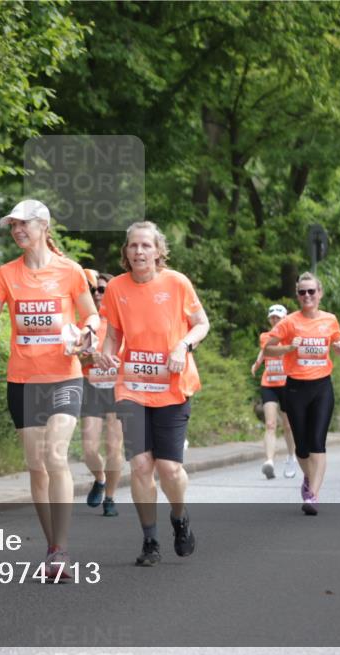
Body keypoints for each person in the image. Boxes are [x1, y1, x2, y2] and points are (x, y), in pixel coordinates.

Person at [0, 200, 99, 579]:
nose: (16, 231)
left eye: (23, 224)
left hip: (64, 375)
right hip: (23, 381)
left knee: (55, 455)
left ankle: (60, 550)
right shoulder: (5, 275)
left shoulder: (70, 271)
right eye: (12, 226)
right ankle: (51, 546)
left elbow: (90, 313)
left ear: (44, 225)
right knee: (36, 467)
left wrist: (87, 332)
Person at [97, 221, 209, 566]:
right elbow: (113, 335)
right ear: (126, 252)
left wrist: (182, 346)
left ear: (158, 251)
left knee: (170, 469)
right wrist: (106, 352)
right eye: (133, 246)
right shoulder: (116, 287)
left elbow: (201, 323)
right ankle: (150, 541)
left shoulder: (177, 283)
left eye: (146, 246)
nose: (139, 252)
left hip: (173, 386)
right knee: (142, 465)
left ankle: (179, 516)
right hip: (132, 385)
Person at [264, 272, 340, 516]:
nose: (307, 296)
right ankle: (310, 479)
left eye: (311, 291)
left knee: (317, 442)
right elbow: (268, 346)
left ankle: (313, 495)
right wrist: (289, 347)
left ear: (319, 293)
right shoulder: (289, 321)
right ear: (297, 295)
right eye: (302, 292)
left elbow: (339, 344)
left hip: (322, 386)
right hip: (296, 387)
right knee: (301, 447)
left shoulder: (330, 319)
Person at [80, 269, 123, 517]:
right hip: (91, 386)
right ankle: (100, 478)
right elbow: (71, 354)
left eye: (102, 290)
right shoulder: (84, 321)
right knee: (89, 448)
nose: (97, 294)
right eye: (93, 289)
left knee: (114, 448)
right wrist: (87, 354)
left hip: (117, 388)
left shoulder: (122, 319)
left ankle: (110, 498)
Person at [251, 304, 298, 480]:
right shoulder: (266, 336)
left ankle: (291, 457)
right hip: (269, 383)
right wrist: (257, 363)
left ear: (285, 318)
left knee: (288, 426)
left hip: (286, 384)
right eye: (272, 317)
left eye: (278, 317)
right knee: (270, 424)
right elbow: (264, 350)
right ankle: (269, 461)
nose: (275, 320)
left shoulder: (292, 337)